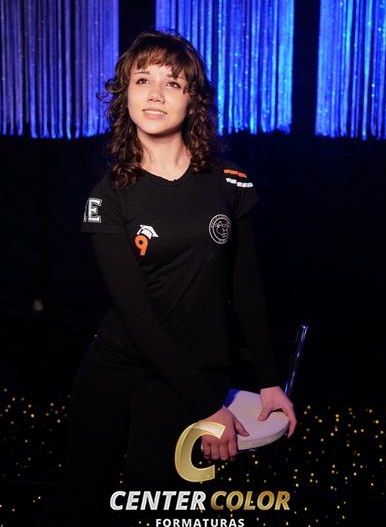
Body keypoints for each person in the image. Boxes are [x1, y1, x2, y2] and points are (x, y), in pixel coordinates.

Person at [36, 28, 296, 527]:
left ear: (192, 99)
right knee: (80, 498)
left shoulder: (231, 183)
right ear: (125, 95)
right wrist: (210, 407)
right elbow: (136, 316)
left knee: (154, 498)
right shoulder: (108, 197)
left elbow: (245, 288)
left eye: (172, 82)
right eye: (142, 80)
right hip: (119, 363)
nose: (155, 94)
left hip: (197, 365)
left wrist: (268, 381)